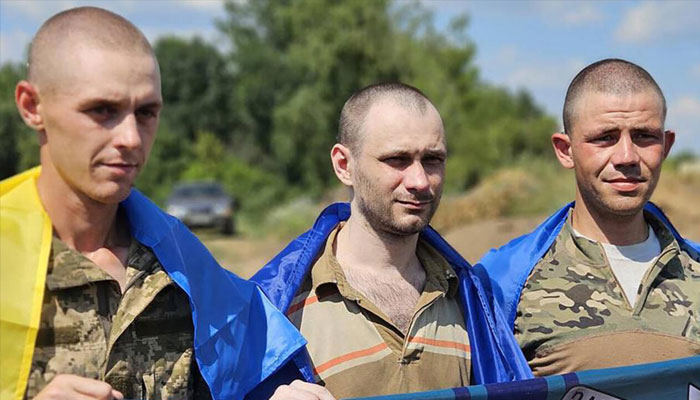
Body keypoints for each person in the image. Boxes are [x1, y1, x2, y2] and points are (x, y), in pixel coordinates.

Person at [0, 7, 305, 400]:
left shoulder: (182, 264)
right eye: (102, 111)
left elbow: (249, 377)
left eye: (146, 113)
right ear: (31, 106)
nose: (130, 137)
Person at [250, 83, 532, 400]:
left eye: (433, 159)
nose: (420, 181)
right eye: (397, 159)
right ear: (344, 165)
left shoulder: (470, 299)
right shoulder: (275, 311)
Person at [475, 59, 700, 377]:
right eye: (605, 138)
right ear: (565, 150)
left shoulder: (695, 272)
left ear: (666, 146)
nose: (627, 157)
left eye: (644, 136)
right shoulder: (501, 283)